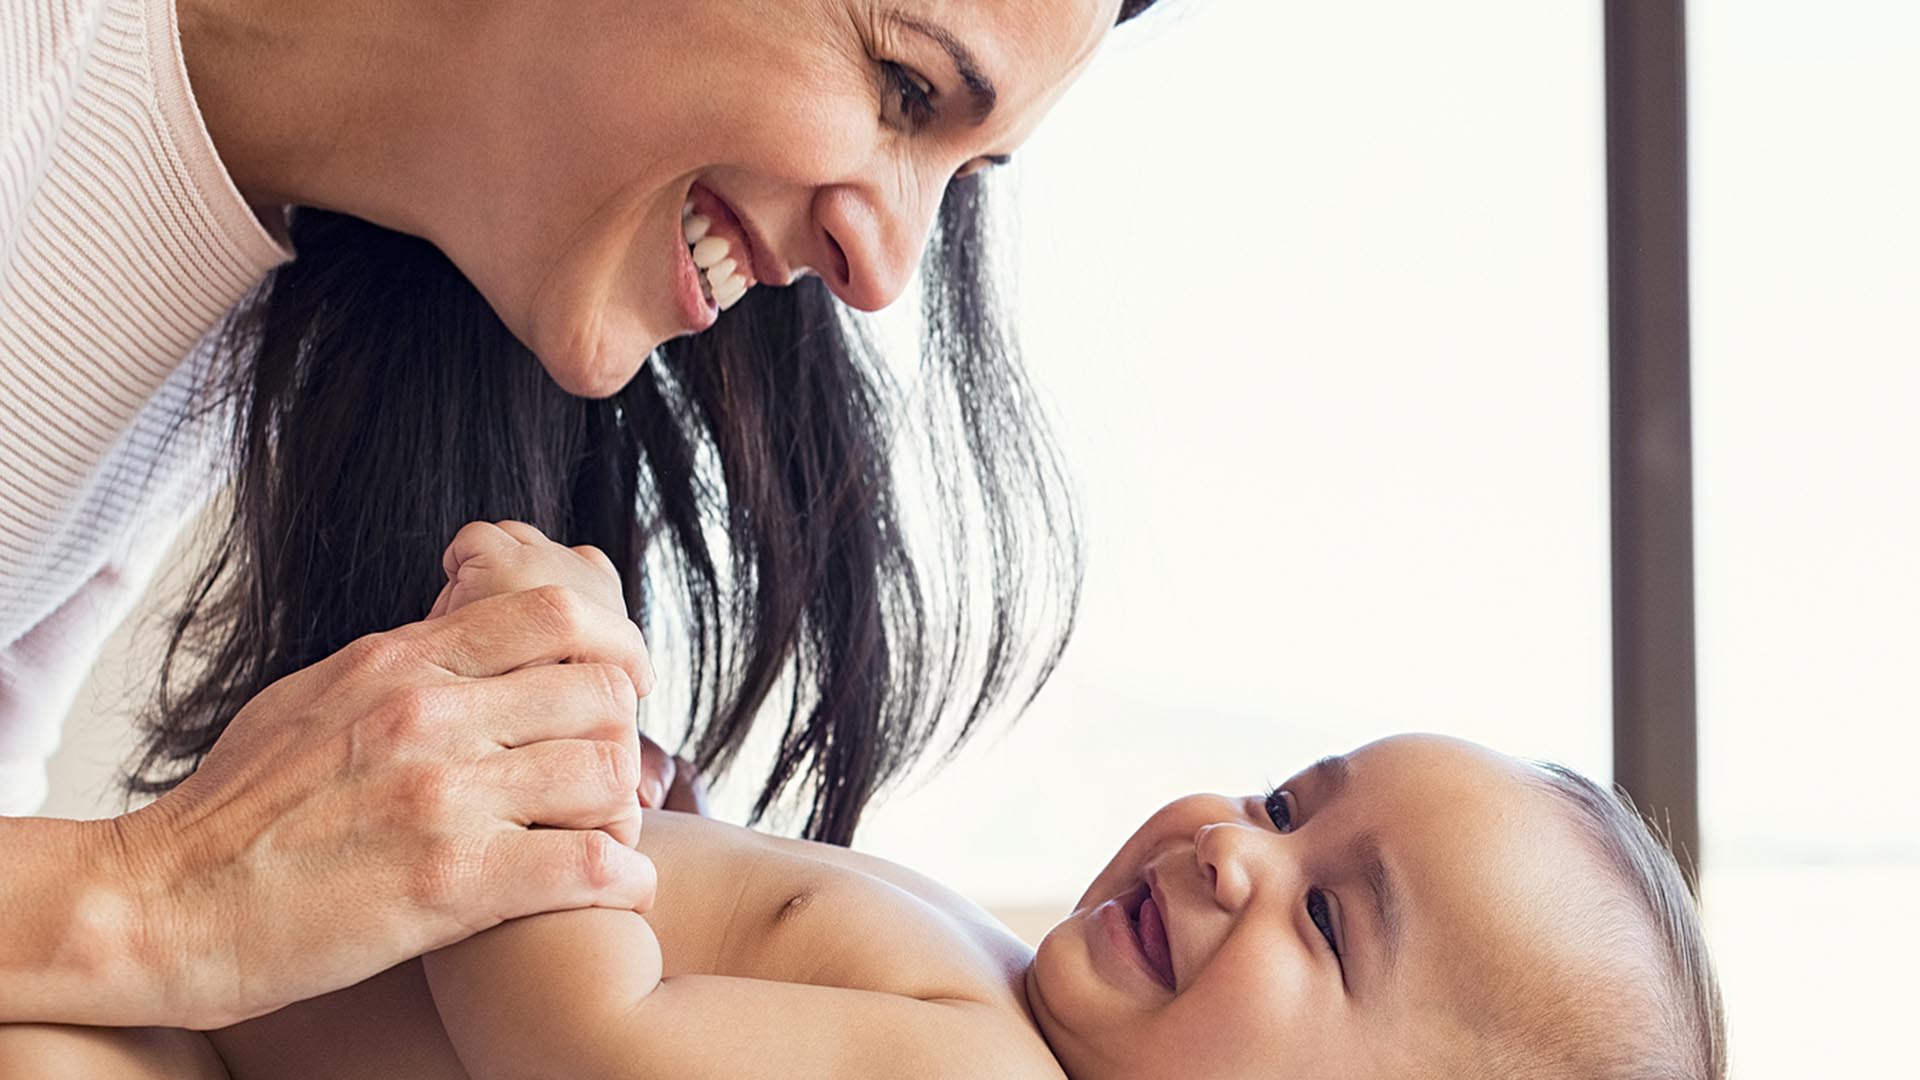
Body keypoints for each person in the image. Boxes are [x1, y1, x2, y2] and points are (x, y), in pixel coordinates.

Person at [0, 0, 1158, 1029]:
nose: (888, 271)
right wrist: (166, 898)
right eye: (904, 87)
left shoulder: (229, 292)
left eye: (962, 175)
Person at [0, 520, 1730, 1077]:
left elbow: (586, 1050)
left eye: (1329, 917)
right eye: (1288, 802)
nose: (1232, 850)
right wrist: (663, 817)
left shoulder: (973, 1071)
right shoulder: (987, 984)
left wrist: (544, 741)